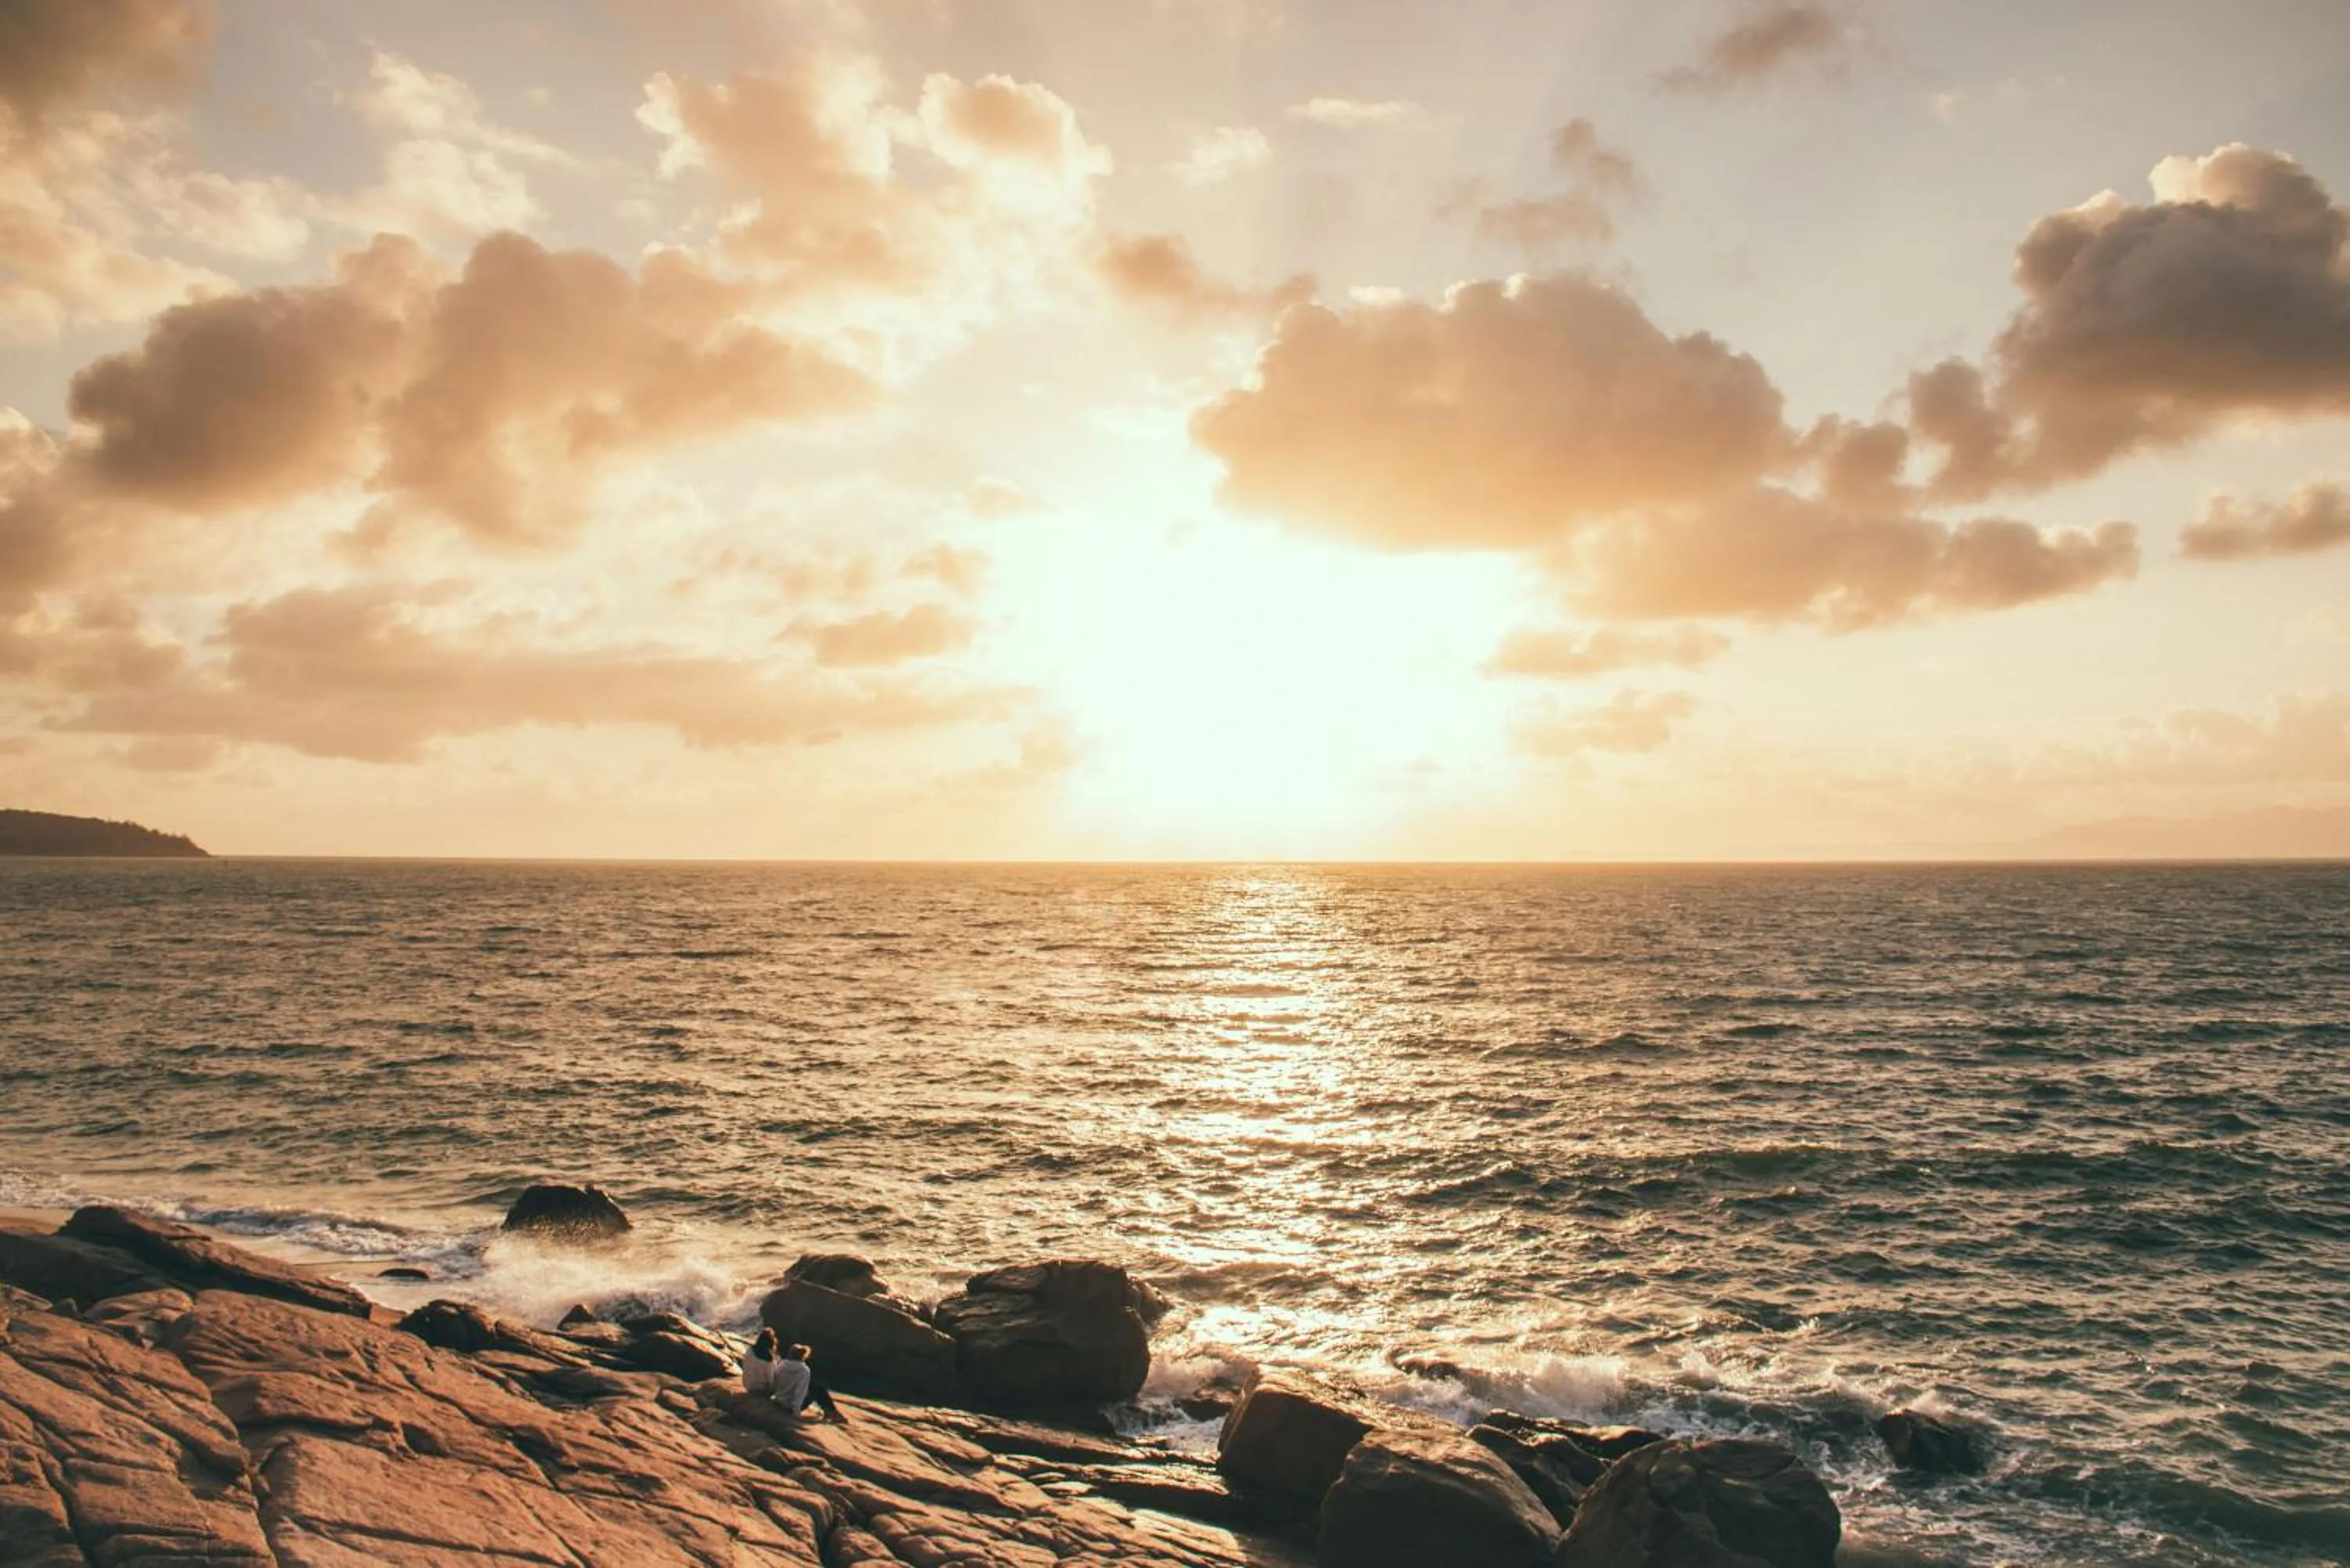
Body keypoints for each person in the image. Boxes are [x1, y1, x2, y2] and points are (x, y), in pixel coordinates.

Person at [742, 1328, 847, 1422]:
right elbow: (799, 1391)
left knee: (814, 1386)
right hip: (781, 1402)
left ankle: (830, 1412)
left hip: (765, 1394)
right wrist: (796, 1412)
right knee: (817, 1389)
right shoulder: (803, 1370)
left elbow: (776, 1381)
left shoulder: (780, 1364)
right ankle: (832, 1412)